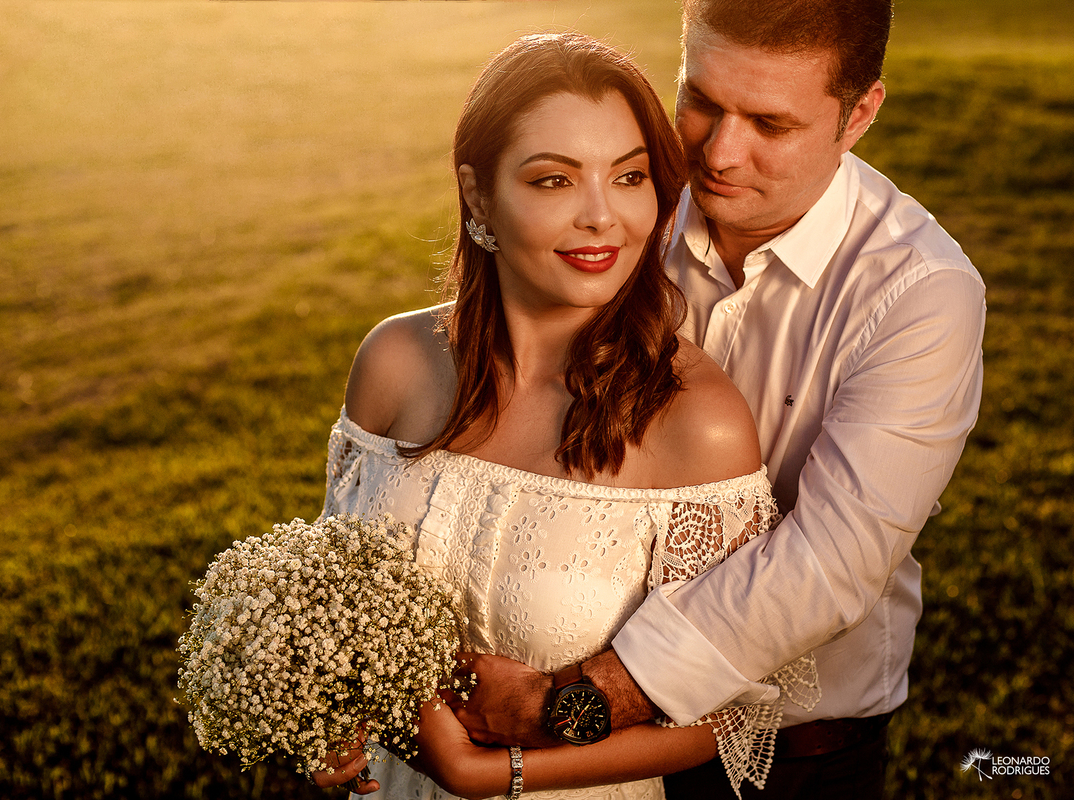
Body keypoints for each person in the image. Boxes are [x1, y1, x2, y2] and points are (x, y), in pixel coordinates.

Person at [453, 1, 986, 798]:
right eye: (701, 101)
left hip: (792, 750)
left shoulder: (922, 293)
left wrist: (570, 702)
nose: (719, 153)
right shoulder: (624, 204)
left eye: (771, 124)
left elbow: (830, 563)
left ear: (860, 114)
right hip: (538, 690)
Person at [311, 32, 818, 800]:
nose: (600, 217)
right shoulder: (394, 362)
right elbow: (330, 598)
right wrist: (324, 714)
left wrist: (492, 773)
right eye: (553, 180)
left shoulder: (697, 421)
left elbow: (722, 714)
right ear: (478, 197)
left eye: (629, 177)